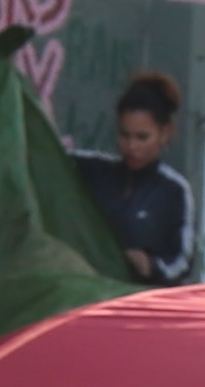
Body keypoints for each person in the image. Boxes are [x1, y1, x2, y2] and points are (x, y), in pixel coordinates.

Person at [73, 73, 191, 283]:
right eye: (124, 135)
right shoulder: (94, 170)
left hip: (140, 306)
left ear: (165, 133)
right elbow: (46, 153)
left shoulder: (174, 191)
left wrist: (151, 265)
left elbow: (182, 261)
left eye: (142, 137)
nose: (132, 146)